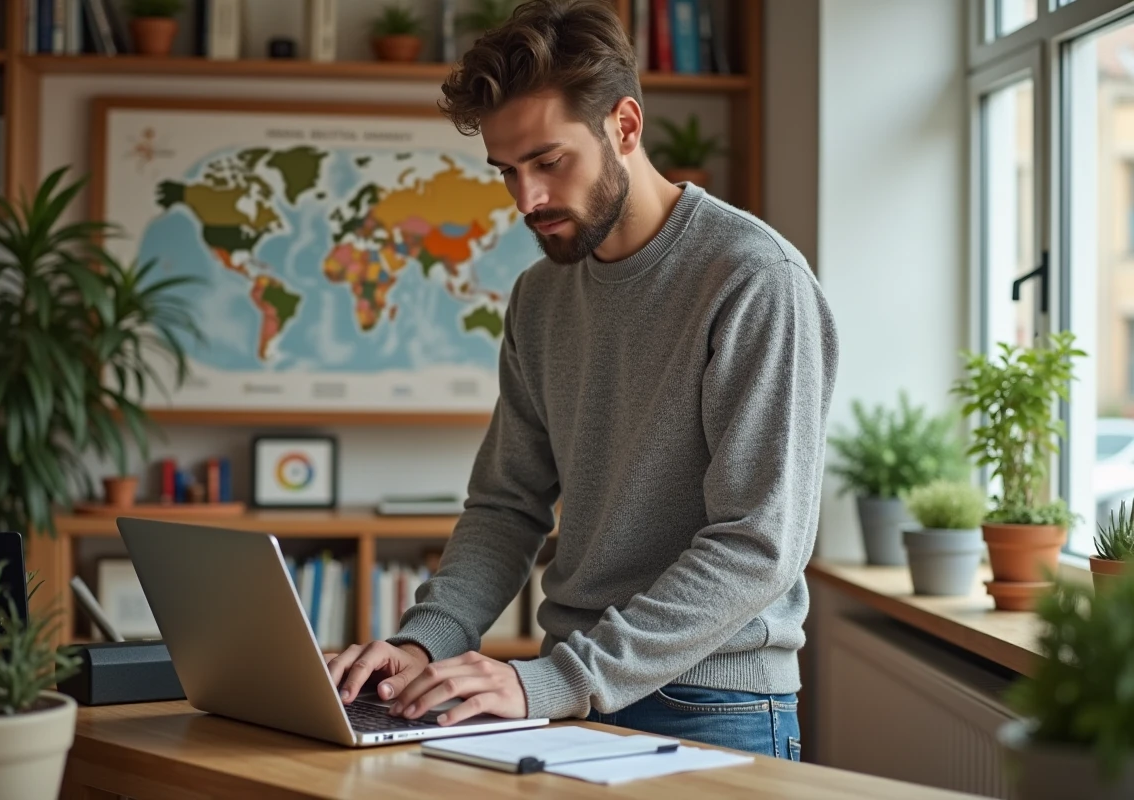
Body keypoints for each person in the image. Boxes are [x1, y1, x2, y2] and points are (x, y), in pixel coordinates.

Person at [327, 0, 838, 759]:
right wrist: (425, 644)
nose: (525, 199)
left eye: (548, 161)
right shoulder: (541, 296)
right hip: (574, 696)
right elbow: (507, 505)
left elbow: (758, 542)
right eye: (507, 171)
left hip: (710, 700)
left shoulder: (755, 278)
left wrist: (557, 680)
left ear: (624, 127)